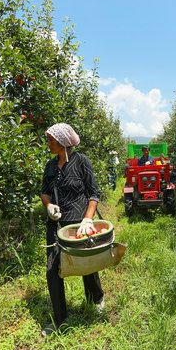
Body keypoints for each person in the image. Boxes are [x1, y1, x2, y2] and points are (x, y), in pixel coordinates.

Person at [40, 123, 104, 336]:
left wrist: (88, 219)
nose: (47, 143)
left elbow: (94, 193)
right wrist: (48, 206)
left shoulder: (81, 162)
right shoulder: (50, 166)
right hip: (56, 224)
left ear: (62, 142)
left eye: (50, 140)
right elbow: (44, 192)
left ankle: (96, 299)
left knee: (86, 263)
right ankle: (60, 320)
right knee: (52, 271)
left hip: (79, 223)